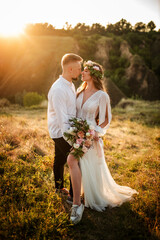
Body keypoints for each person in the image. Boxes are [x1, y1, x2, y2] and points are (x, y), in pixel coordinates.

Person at [67, 60, 138, 223]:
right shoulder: (79, 91)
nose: (82, 73)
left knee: (72, 160)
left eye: (85, 70)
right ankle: (79, 197)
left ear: (93, 75)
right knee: (82, 165)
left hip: (90, 136)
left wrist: (95, 133)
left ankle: (77, 205)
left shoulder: (102, 96)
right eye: (82, 70)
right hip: (76, 133)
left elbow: (106, 119)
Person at [47, 53, 83, 200]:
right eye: (79, 68)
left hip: (67, 129)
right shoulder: (58, 89)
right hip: (61, 132)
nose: (80, 71)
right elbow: (62, 121)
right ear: (70, 69)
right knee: (76, 162)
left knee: (60, 160)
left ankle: (59, 188)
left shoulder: (70, 84)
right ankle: (73, 197)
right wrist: (73, 142)